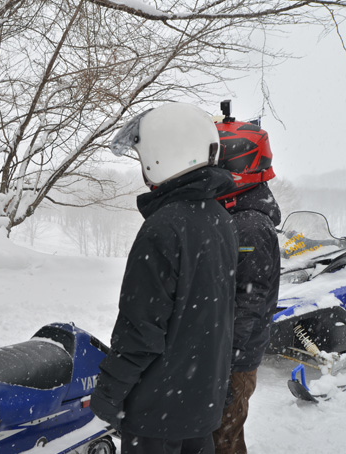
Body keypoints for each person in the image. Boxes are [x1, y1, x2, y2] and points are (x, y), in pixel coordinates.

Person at [90, 102, 239, 454]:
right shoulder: (220, 218)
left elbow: (140, 329)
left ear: (162, 154)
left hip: (158, 412)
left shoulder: (164, 227)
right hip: (201, 403)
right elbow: (218, 315)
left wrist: (108, 393)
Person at [212, 111, 281, 454]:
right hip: (228, 352)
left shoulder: (249, 224)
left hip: (234, 360)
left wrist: (224, 360)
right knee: (223, 435)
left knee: (223, 437)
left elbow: (248, 300)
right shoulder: (236, 212)